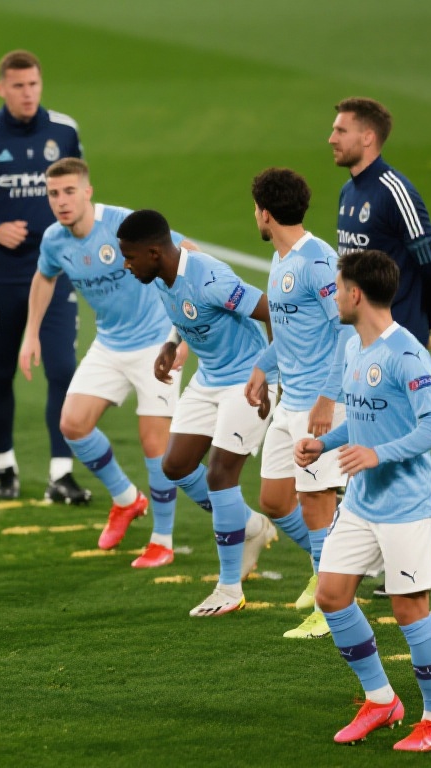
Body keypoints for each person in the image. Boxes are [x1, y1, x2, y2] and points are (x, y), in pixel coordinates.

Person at [296, 249, 431, 752]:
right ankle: (382, 700)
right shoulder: (353, 347)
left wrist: (377, 454)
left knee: (409, 609)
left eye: (339, 288)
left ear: (356, 294)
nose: (334, 297)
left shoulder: (405, 353)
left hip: (407, 504)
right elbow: (365, 419)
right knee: (331, 595)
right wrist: (325, 443)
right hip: (362, 503)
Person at [20, 158, 199, 566]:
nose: (62, 201)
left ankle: (163, 540)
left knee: (155, 444)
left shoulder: (122, 225)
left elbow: (189, 251)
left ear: (88, 192)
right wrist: (31, 333)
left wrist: (184, 331)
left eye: (69, 191)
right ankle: (126, 498)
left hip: (157, 344)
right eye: (53, 194)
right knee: (73, 424)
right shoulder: (55, 240)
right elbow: (44, 276)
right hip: (109, 344)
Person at [0, 50, 89, 503]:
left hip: (57, 272)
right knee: (1, 374)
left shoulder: (64, 131)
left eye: (33, 84)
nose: (28, 94)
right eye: (18, 86)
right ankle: (5, 467)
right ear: (2, 88)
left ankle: (61, 474)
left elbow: (81, 190)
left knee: (63, 370)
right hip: (0, 277)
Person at [119, 209, 279, 616]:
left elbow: (271, 310)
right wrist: (171, 345)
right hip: (209, 378)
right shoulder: (161, 275)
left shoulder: (211, 280)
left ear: (154, 253)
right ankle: (250, 525)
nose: (126, 265)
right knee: (175, 465)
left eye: (130, 256)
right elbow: (184, 314)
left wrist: (270, 372)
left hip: (247, 379)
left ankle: (229, 588)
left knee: (221, 474)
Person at [329, 96, 431, 597]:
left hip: (397, 338)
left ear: (368, 137)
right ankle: (378, 548)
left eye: (341, 131)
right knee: (366, 425)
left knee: (399, 436)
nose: (332, 138)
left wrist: (423, 325)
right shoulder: (347, 192)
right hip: (361, 340)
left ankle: (403, 545)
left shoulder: (394, 191)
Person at [244, 168, 353, 639]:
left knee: (315, 501)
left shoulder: (318, 261)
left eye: (256, 209)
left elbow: (347, 330)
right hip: (290, 401)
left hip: (319, 405)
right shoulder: (282, 258)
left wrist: (328, 398)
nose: (255, 216)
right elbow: (291, 333)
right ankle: (330, 562)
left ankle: (330, 606)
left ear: (266, 214)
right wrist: (261, 368)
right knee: (273, 498)